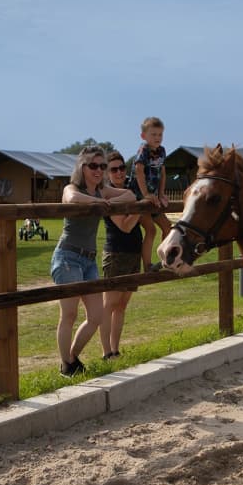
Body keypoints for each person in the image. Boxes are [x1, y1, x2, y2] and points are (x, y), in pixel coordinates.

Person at [51, 146, 135, 377]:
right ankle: (67, 366)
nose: (99, 170)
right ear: (82, 167)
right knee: (69, 314)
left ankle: (70, 358)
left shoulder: (103, 191)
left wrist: (108, 198)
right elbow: (72, 198)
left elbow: (129, 195)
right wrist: (98, 202)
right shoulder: (73, 187)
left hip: (89, 260)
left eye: (102, 166)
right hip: (67, 256)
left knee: (96, 316)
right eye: (93, 165)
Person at [100, 150, 143, 360]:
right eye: (114, 169)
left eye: (121, 168)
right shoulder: (108, 195)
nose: (119, 173)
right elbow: (124, 226)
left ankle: (115, 350)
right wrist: (139, 209)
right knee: (109, 305)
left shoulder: (130, 190)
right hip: (116, 253)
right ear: (107, 173)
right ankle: (106, 352)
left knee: (122, 306)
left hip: (133, 253)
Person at [128, 116, 172, 271]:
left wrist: (161, 194)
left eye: (160, 134)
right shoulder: (143, 150)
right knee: (151, 230)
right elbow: (139, 171)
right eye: (153, 134)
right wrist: (145, 194)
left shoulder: (162, 151)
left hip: (154, 198)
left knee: (168, 226)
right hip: (140, 198)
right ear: (144, 136)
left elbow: (163, 173)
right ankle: (147, 265)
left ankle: (164, 260)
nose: (157, 138)